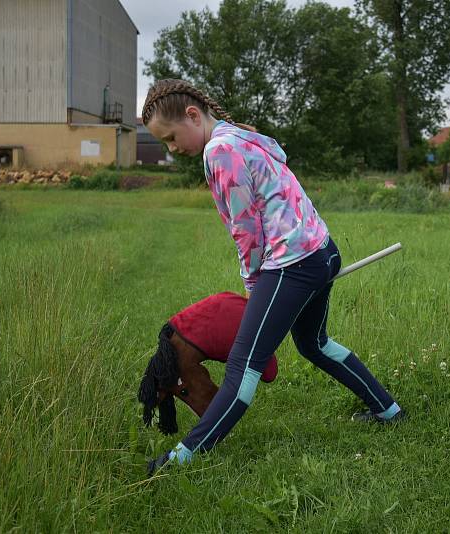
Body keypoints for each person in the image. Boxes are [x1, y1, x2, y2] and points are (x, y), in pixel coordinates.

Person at [142, 79, 404, 475]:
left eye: (171, 137)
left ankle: (178, 460)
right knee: (314, 343)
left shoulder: (221, 149)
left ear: (193, 116)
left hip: (292, 264)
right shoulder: (242, 137)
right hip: (321, 252)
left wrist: (253, 284)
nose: (172, 148)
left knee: (242, 370)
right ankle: (388, 410)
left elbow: (246, 228)